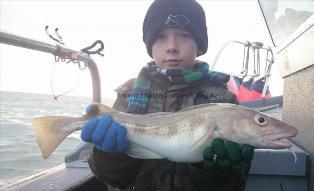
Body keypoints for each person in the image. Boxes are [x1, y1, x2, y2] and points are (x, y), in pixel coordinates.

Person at [81, 0, 254, 190]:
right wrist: (110, 155)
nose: (172, 46)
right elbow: (114, 179)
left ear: (200, 44)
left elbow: (235, 184)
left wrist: (217, 171)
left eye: (184, 35)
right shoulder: (128, 94)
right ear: (150, 45)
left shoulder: (224, 100)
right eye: (161, 36)